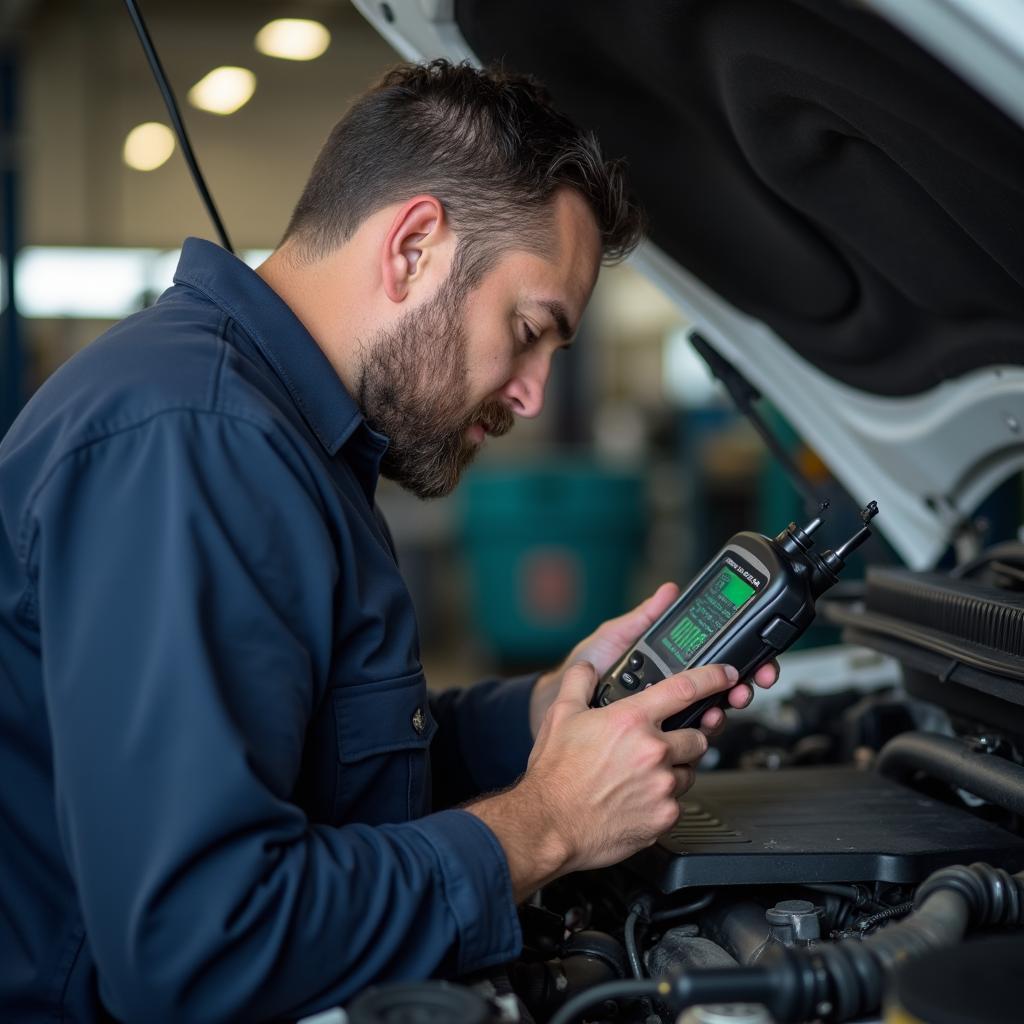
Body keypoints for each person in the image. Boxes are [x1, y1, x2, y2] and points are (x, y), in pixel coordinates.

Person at [0, 60, 777, 1022]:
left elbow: (318, 766)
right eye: (528, 328)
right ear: (412, 248)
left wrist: (542, 717)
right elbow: (198, 944)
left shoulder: (284, 435)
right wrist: (548, 825)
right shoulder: (197, 442)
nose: (533, 393)